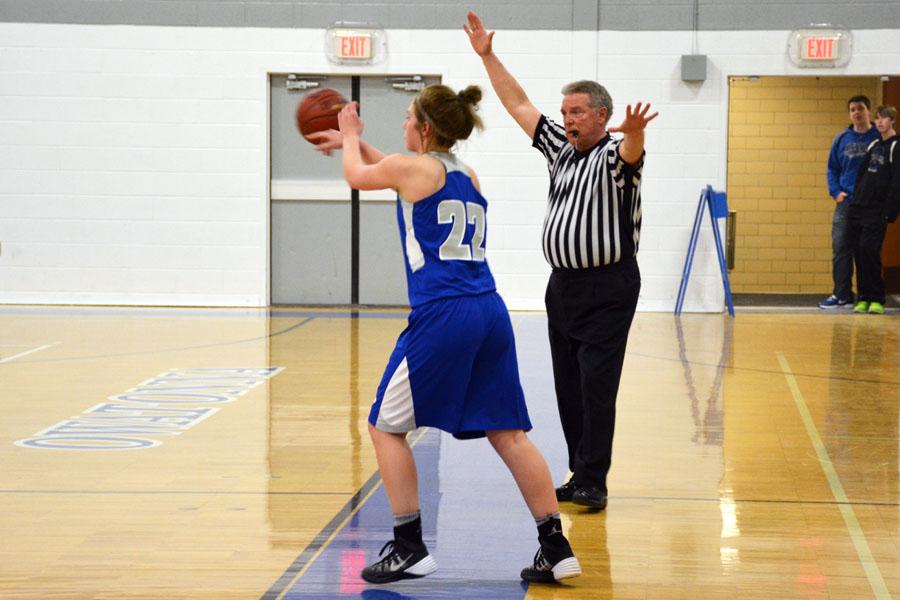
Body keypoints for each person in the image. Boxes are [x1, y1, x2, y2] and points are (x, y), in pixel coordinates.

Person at [307, 85, 582, 585]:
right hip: (489, 310)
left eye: (409, 118)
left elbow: (359, 174)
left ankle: (409, 545)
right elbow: (392, 166)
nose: (405, 125)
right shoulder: (463, 173)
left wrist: (349, 137)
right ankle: (555, 546)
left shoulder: (412, 170)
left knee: (384, 426)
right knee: (508, 433)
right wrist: (356, 143)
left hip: (444, 314)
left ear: (426, 128)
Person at [465, 12, 656, 511]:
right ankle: (579, 470)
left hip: (609, 286)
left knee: (597, 382)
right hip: (563, 285)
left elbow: (633, 151)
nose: (567, 118)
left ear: (601, 116)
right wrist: (487, 55)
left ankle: (595, 479)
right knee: (567, 383)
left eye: (576, 111)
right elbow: (518, 103)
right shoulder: (561, 150)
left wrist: (634, 132)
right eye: (565, 111)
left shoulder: (615, 157)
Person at [820, 95, 881, 309]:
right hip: (846, 203)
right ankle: (842, 294)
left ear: (869, 111)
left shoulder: (879, 137)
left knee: (865, 250)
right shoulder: (841, 139)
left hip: (870, 205)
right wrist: (836, 192)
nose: (857, 112)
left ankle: (867, 297)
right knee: (841, 248)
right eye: (853, 109)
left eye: (861, 108)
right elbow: (832, 169)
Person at [846, 105, 899, 315]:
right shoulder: (874, 144)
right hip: (860, 207)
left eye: (884, 118)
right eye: (877, 118)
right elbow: (861, 176)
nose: (880, 122)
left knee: (870, 250)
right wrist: (855, 200)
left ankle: (877, 298)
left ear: (892, 121)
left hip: (877, 210)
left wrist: (890, 210)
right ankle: (864, 297)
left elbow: (897, 180)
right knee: (858, 252)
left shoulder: (896, 146)